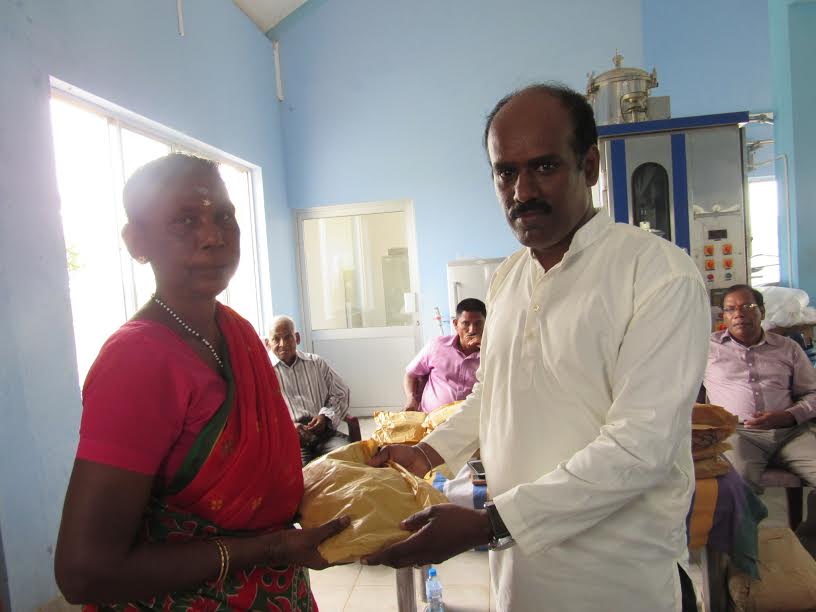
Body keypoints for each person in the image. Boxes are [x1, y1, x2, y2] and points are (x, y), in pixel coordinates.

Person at [365, 84, 709, 612]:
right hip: (519, 578)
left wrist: (489, 524)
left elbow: (641, 446)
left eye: (544, 166)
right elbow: (491, 395)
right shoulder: (508, 278)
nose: (522, 190)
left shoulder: (657, 274)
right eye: (505, 172)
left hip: (620, 582)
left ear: (589, 166)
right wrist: (425, 453)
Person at [55, 154, 347, 610]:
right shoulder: (137, 360)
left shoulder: (238, 333)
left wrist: (348, 477)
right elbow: (84, 572)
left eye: (224, 216)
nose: (214, 236)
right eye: (185, 220)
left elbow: (259, 477)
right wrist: (270, 548)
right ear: (137, 242)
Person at [703, 284, 816, 528]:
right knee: (737, 486)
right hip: (738, 433)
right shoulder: (706, 350)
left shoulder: (788, 348)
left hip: (791, 433)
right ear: (724, 317)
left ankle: (807, 539)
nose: (739, 314)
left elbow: (812, 393)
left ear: (762, 312)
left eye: (747, 306)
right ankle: (744, 546)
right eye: (730, 309)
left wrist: (789, 416)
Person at [267, 315, 352, 465]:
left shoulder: (316, 363)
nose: (283, 344)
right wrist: (289, 427)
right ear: (267, 344)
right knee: (302, 474)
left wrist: (325, 416)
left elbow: (341, 393)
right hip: (290, 439)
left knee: (348, 458)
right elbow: (261, 413)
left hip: (323, 432)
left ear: (297, 338)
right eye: (276, 339)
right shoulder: (264, 373)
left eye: (288, 337)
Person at [403, 298, 486, 413]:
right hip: (430, 418)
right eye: (466, 323)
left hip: (470, 419)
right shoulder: (437, 345)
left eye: (478, 323)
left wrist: (486, 349)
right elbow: (411, 374)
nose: (472, 330)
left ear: (486, 324)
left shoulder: (492, 354)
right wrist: (411, 399)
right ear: (456, 324)